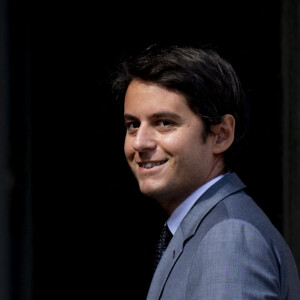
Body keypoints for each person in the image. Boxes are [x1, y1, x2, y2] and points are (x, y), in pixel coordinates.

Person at [111, 44, 300, 299]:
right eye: (133, 125)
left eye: (164, 123)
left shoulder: (228, 238)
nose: (139, 142)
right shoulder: (206, 228)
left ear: (221, 135)